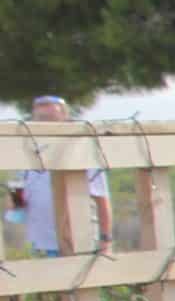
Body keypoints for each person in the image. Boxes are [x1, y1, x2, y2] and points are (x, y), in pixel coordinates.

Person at [9, 95, 113, 253]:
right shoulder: (27, 157)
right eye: (40, 119)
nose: (44, 125)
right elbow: (19, 205)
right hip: (39, 246)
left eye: (50, 119)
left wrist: (105, 239)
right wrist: (16, 203)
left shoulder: (83, 155)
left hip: (78, 244)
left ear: (64, 120)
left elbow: (102, 200)